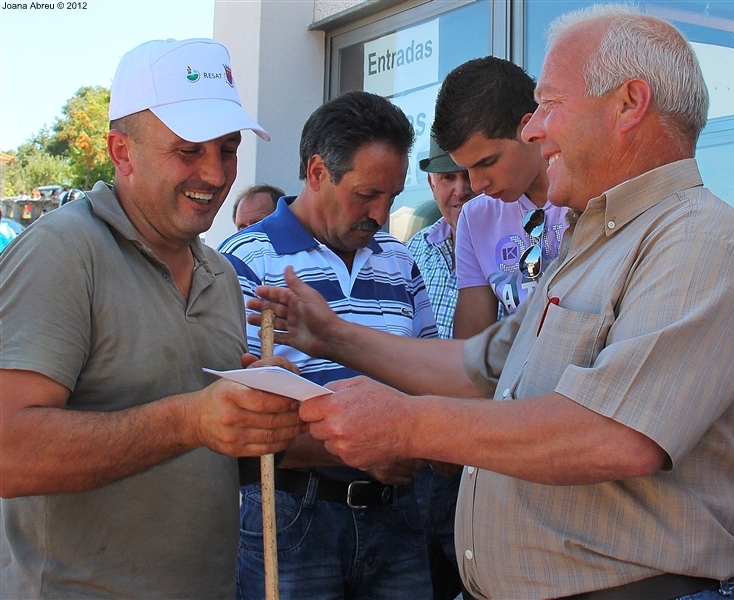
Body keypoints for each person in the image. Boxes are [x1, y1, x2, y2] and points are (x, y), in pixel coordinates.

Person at [248, 6, 734, 599]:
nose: (533, 129)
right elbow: (479, 368)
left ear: (629, 104)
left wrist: (407, 425)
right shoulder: (593, 246)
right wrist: (332, 335)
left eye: (550, 103)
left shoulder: (701, 241)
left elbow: (613, 436)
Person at [0, 38, 303, 600]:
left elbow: (208, 458)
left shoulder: (221, 275)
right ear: (121, 151)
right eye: (189, 150)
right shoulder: (62, 252)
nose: (215, 174)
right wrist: (191, 420)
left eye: (228, 148)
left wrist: (261, 417)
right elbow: (8, 451)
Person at [218, 90, 436, 600]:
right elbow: (232, 423)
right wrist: (367, 448)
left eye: (392, 196)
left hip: (400, 513)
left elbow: (433, 374)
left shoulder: (401, 264)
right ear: (317, 173)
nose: (380, 214)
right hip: (294, 518)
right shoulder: (246, 261)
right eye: (366, 194)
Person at [432, 57, 569, 338]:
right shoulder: (476, 217)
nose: (477, 184)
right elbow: (468, 354)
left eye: (487, 162)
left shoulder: (589, 198)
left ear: (529, 130)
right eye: (466, 168)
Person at [406, 136, 475, 600]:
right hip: (422, 457)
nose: (461, 190)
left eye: (469, 174)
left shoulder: (524, 245)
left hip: (488, 454)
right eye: (447, 177)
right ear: (431, 183)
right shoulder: (408, 254)